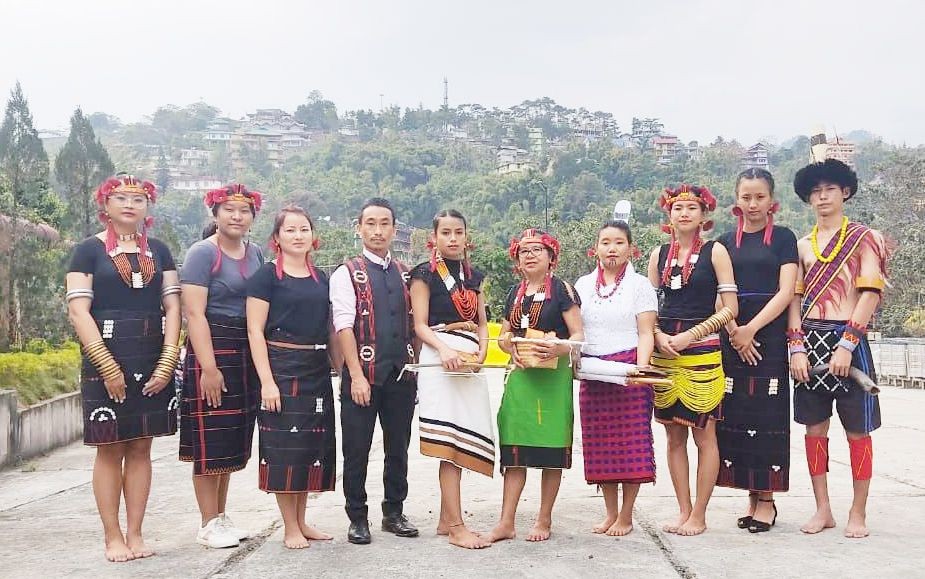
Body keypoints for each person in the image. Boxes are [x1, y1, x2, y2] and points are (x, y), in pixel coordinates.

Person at [66, 175, 181, 562]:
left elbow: (173, 308)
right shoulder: (87, 251)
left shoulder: (160, 252)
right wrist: (105, 363)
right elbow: (78, 310)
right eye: (121, 197)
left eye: (139, 198)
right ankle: (112, 536)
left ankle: (136, 533)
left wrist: (168, 360)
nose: (130, 204)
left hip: (151, 354)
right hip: (106, 352)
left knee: (141, 446)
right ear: (106, 204)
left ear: (148, 207)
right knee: (109, 446)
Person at [788, 159, 889, 538]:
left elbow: (869, 294)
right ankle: (823, 509)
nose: (822, 196)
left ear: (845, 192)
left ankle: (857, 512)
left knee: (858, 433)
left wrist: (847, 344)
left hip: (851, 341)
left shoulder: (866, 238)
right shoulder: (801, 245)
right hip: (809, 341)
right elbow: (795, 300)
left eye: (829, 189)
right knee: (815, 429)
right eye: (815, 191)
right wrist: (796, 347)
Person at [246, 206, 341, 549]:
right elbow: (255, 331)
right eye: (290, 230)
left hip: (316, 369)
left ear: (313, 237)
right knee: (285, 447)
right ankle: (289, 526)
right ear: (276, 238)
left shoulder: (322, 279)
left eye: (304, 229)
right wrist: (267, 382)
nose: (298, 235)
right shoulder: (266, 276)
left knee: (309, 447)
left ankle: (302, 520)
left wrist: (343, 370)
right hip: (281, 367)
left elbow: (331, 330)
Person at [646, 184, 738, 536]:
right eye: (677, 207)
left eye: (691, 208)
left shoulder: (716, 252)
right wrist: (657, 336)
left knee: (704, 434)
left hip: (702, 349)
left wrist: (692, 335)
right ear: (668, 215)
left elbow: (731, 310)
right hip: (665, 349)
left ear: (704, 215)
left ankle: (700, 513)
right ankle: (683, 509)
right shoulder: (658, 255)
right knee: (672, 437)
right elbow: (649, 309)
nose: (683, 213)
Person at [179, 184, 264, 548]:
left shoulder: (257, 252)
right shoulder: (203, 253)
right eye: (229, 209)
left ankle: (222, 515)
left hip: (245, 350)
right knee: (208, 440)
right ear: (215, 214)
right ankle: (207, 521)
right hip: (212, 348)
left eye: (243, 211)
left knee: (231, 438)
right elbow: (194, 313)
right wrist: (209, 368)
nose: (236, 216)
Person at [329, 198, 419, 544]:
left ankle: (393, 511)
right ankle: (357, 516)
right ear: (359, 228)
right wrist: (355, 375)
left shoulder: (405, 274)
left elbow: (414, 325)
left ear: (394, 230)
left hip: (401, 375)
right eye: (370, 223)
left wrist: (415, 370)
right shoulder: (346, 272)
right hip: (362, 376)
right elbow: (343, 326)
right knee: (356, 448)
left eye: (384, 224)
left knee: (399, 446)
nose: (378, 230)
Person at [486, 228, 583, 543]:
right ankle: (506, 522)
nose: (529, 255)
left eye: (536, 249)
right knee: (515, 447)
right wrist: (506, 342)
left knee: (551, 447)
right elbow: (503, 334)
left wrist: (560, 347)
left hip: (553, 379)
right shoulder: (515, 291)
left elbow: (579, 336)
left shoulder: (563, 290)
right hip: (522, 376)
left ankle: (544, 520)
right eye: (523, 250)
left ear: (551, 256)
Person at [715, 169, 798, 533]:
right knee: (736, 416)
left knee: (767, 417)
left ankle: (767, 499)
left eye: (759, 197)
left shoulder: (783, 238)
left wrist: (751, 329)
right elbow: (718, 290)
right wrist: (734, 330)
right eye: (746, 197)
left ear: (771, 200)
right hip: (732, 337)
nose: (752, 204)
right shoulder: (723, 242)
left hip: (770, 339)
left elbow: (786, 292)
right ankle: (749, 496)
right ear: (737, 201)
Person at [409, 209, 493, 549]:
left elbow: (484, 322)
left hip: (470, 359)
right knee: (450, 445)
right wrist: (444, 350)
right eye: (446, 232)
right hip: (440, 358)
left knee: (464, 437)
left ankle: (447, 519)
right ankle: (457, 526)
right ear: (435, 237)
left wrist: (483, 355)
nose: (453, 238)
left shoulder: (473, 276)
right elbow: (420, 325)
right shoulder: (423, 275)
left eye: (458, 232)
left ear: (466, 235)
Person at [574, 220, 658, 537]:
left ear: (630, 248)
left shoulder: (639, 286)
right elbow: (575, 330)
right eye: (606, 242)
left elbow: (646, 331)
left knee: (630, 445)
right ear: (595, 248)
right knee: (601, 446)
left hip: (629, 370)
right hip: (594, 372)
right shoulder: (582, 285)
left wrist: (640, 369)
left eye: (619, 242)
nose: (612, 248)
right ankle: (609, 512)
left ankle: (626, 515)